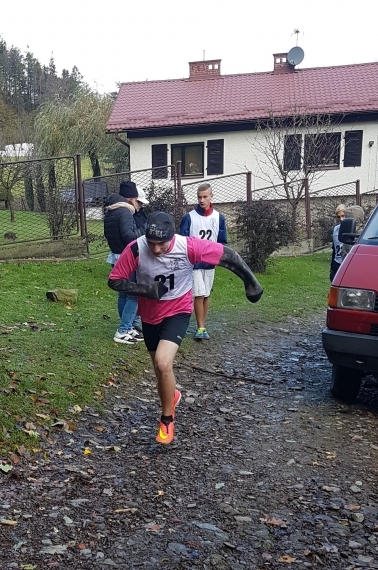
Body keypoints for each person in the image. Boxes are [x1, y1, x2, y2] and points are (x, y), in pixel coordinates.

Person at [109, 211, 264, 444]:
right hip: (150, 316)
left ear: (172, 236)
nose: (156, 249)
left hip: (178, 311)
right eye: (152, 243)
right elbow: (115, 280)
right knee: (160, 370)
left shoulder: (189, 246)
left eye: (162, 243)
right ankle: (173, 395)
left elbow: (228, 255)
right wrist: (147, 290)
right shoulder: (136, 248)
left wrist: (252, 284)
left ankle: (167, 419)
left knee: (163, 362)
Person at [179, 183, 227, 340]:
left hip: (210, 262)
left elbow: (221, 241)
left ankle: (203, 325)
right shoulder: (189, 217)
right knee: (198, 294)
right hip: (194, 264)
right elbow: (183, 241)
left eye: (205, 197)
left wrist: (218, 257)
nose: (201, 200)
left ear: (211, 196)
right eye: (199, 197)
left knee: (206, 294)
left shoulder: (218, 218)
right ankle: (200, 327)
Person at [103, 180, 147, 344]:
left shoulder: (110, 211)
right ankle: (124, 329)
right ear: (130, 199)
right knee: (133, 295)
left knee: (123, 293)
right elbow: (129, 236)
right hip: (127, 257)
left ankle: (128, 327)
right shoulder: (125, 212)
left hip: (115, 256)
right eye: (137, 201)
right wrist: (145, 230)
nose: (138, 205)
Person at [330, 204, 347, 282]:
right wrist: (332, 267)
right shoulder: (336, 229)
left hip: (347, 263)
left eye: (343, 216)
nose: (341, 219)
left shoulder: (353, 229)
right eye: (339, 217)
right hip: (337, 263)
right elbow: (334, 248)